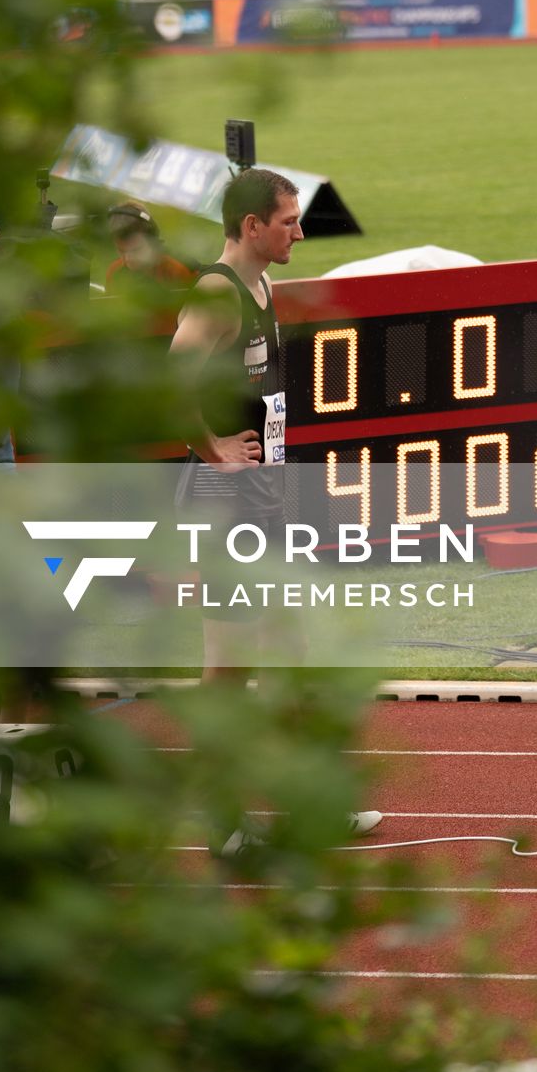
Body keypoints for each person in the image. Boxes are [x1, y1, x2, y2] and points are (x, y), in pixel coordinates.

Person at [169, 167, 382, 852]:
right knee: (228, 664)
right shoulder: (217, 292)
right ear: (251, 226)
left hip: (265, 495)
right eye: (288, 221)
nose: (299, 231)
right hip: (228, 502)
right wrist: (214, 449)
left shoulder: (263, 284)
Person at [103, 202, 196, 333]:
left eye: (136, 250)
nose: (128, 258)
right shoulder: (115, 272)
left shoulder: (180, 269)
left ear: (153, 242)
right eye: (121, 251)